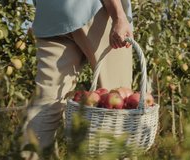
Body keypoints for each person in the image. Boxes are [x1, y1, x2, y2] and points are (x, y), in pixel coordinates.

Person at [22, 0, 134, 158]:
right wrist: (118, 15)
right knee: (119, 102)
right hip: (94, 9)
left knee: (46, 104)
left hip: (51, 15)